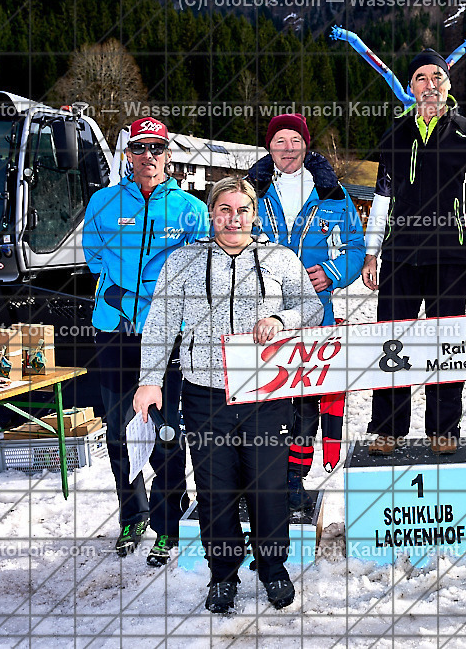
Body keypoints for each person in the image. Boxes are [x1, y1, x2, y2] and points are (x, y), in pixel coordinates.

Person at [134, 177, 323, 613]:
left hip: (266, 393)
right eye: (224, 209)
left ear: (254, 215)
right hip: (204, 394)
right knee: (215, 490)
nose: (233, 218)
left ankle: (273, 569)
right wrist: (150, 379)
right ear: (211, 212)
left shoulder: (279, 258)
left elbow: (312, 306)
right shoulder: (183, 261)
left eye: (242, 210)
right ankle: (222, 576)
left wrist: (281, 316)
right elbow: (160, 323)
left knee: (268, 487)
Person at [82, 117, 208, 565]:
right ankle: (130, 515)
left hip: (167, 334)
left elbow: (200, 267)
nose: (148, 157)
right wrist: (118, 288)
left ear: (168, 155)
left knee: (167, 430)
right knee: (119, 431)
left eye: (157, 149)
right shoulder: (103, 202)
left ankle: (166, 522)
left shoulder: (191, 209)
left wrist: (163, 296)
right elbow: (94, 256)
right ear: (128, 155)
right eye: (140, 148)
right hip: (115, 330)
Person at [360, 48, 466, 456]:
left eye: (437, 76)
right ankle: (387, 427)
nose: (430, 84)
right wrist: (371, 254)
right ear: (410, 88)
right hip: (399, 256)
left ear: (448, 84)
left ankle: (444, 427)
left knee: (448, 347)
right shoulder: (395, 135)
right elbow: (381, 198)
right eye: (420, 77)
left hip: (451, 258)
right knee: (391, 344)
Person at [246, 113, 365, 510]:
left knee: (303, 401)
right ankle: (262, 478)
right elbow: (226, 237)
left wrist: (330, 274)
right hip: (260, 314)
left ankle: (295, 478)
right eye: (279, 140)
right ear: (269, 148)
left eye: (295, 140)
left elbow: (355, 248)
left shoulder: (333, 195)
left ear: (306, 146)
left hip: (315, 312)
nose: (287, 148)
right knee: (259, 398)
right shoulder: (250, 193)